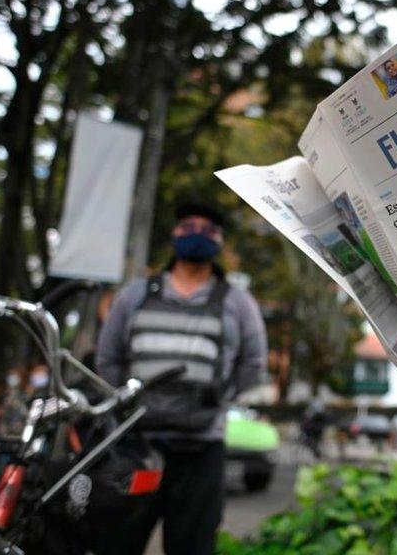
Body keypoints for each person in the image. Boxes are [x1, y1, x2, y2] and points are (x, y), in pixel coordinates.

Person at [96, 202, 267, 555]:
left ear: (219, 241)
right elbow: (108, 358)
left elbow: (253, 364)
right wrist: (124, 403)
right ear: (175, 233)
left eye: (209, 229)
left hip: (201, 451)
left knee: (193, 547)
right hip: (136, 447)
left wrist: (222, 395)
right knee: (116, 543)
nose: (198, 234)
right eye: (190, 225)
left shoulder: (238, 302)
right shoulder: (136, 294)